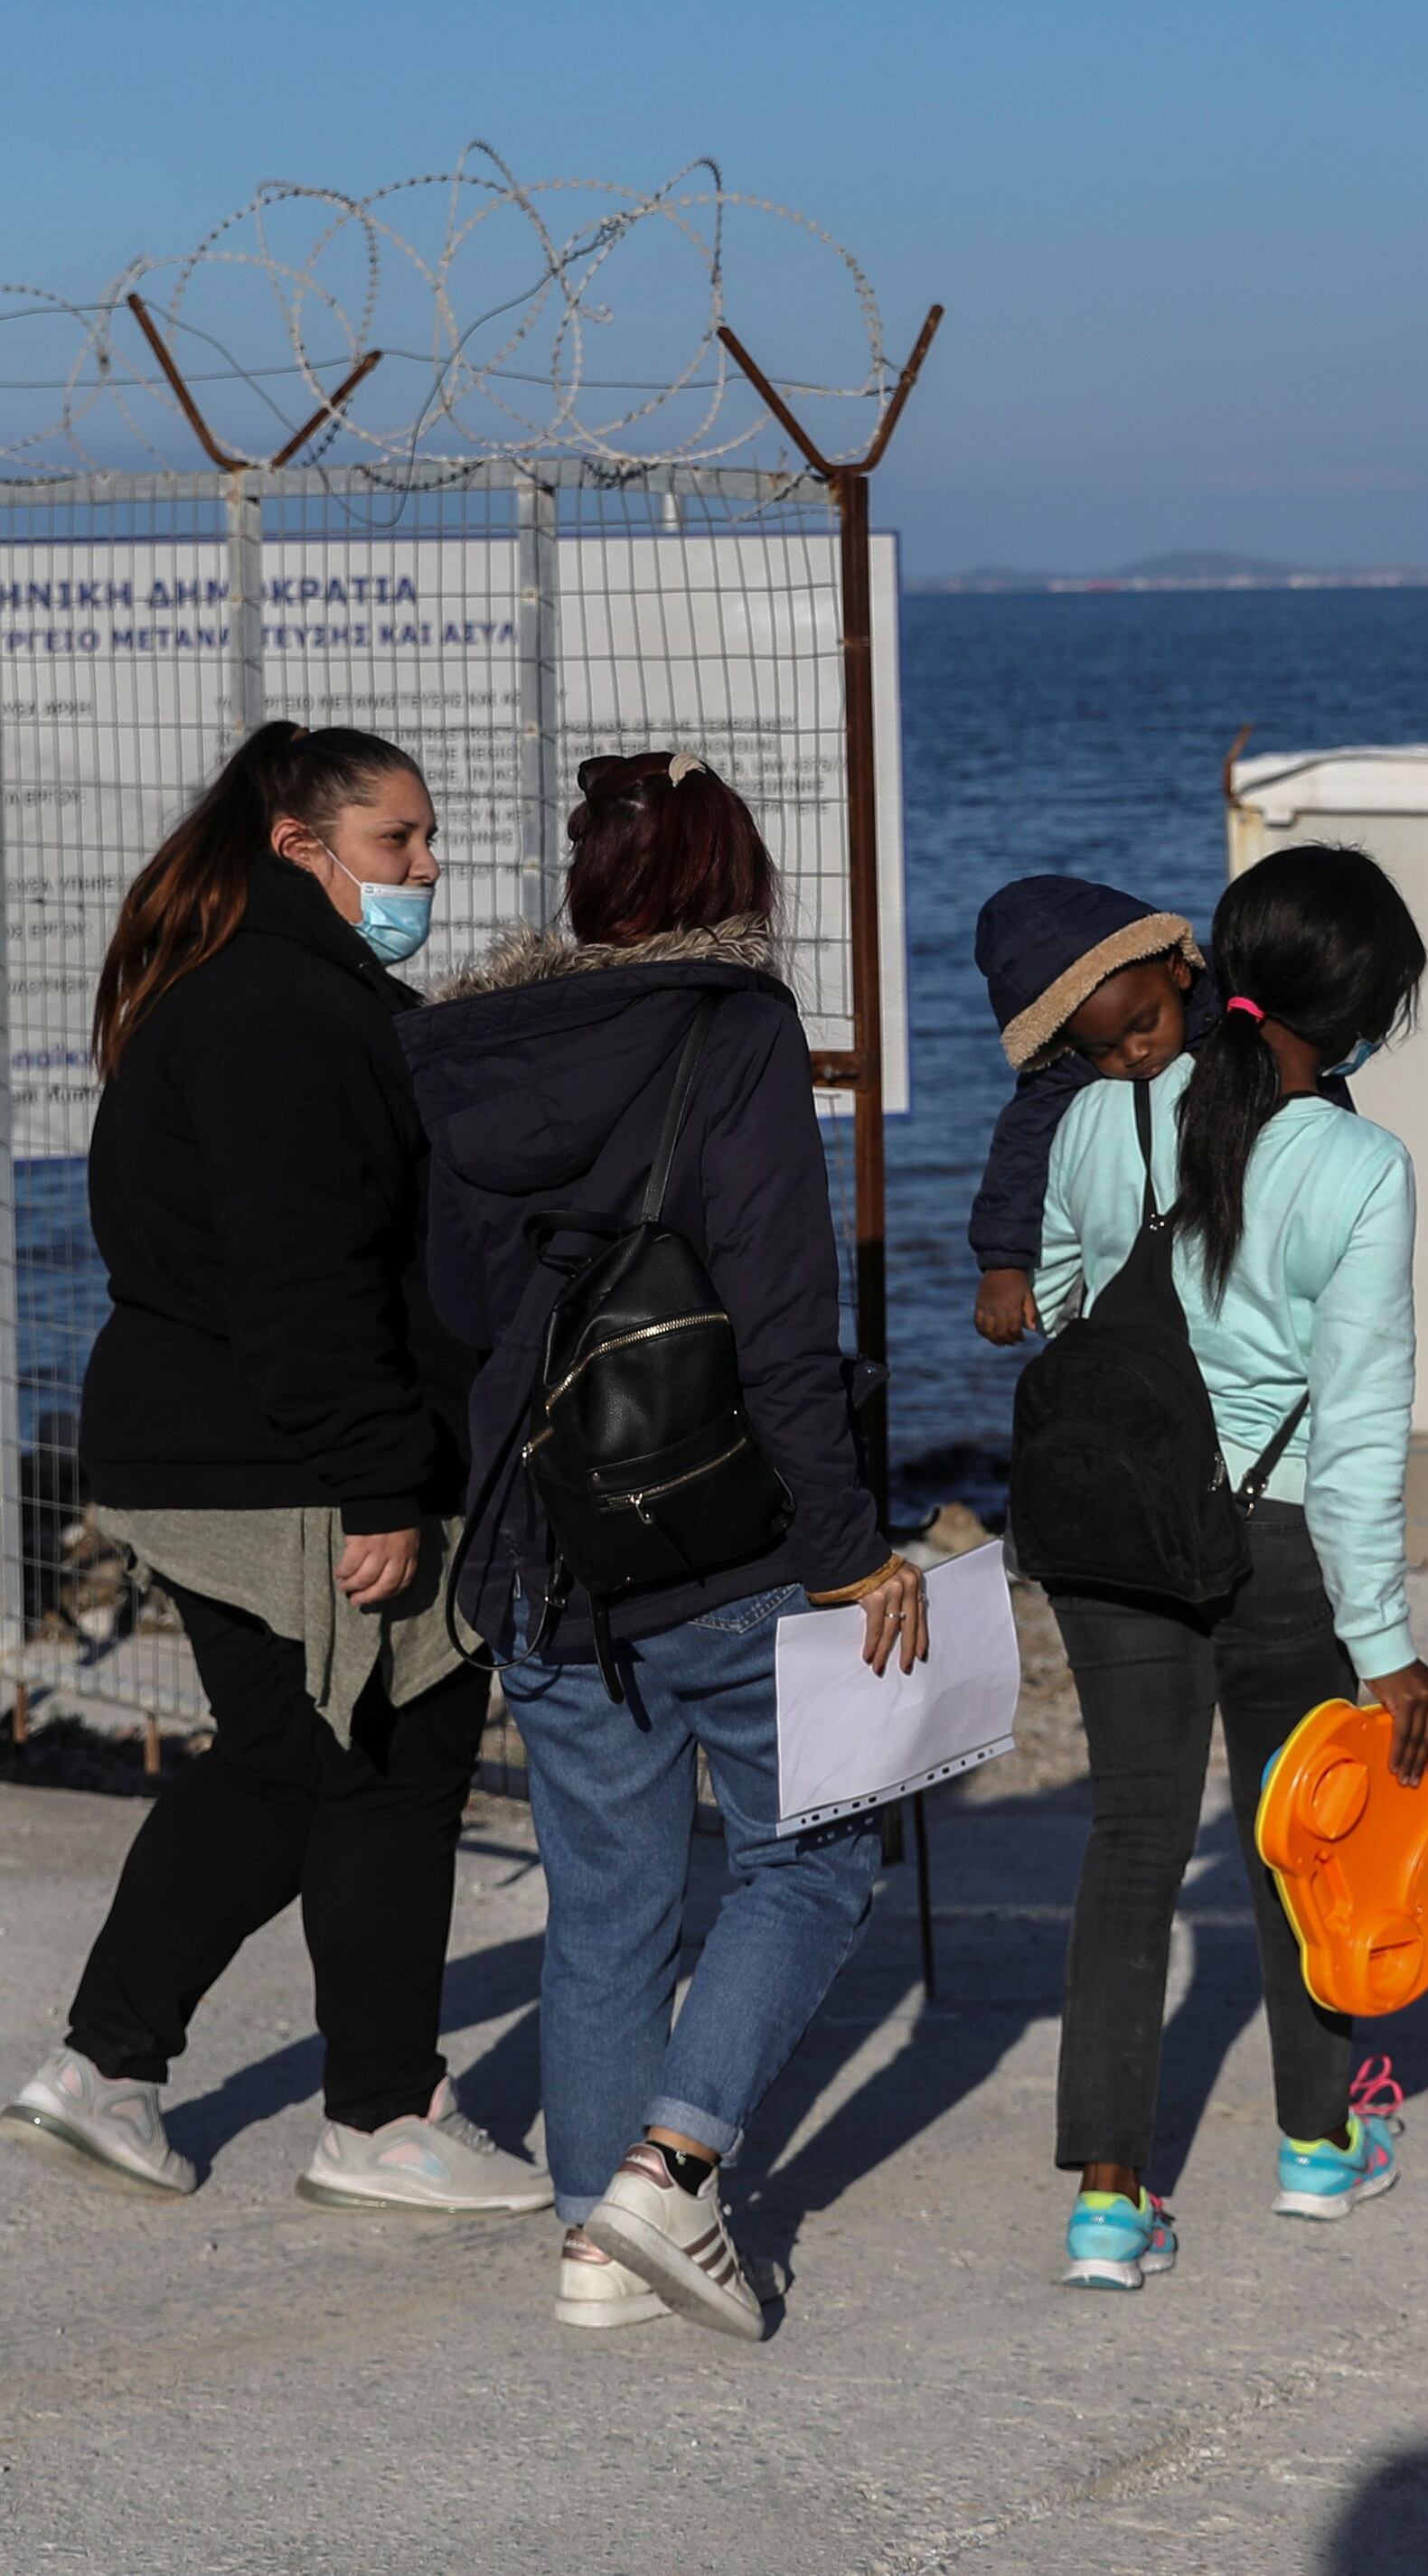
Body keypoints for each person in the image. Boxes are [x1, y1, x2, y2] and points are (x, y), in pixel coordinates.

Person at [408, 752, 929, 2340]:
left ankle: (591, 2242)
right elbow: (782, 1317)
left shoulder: (464, 1047)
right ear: (729, 883)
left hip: (536, 1542)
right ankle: (671, 2166)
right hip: (717, 1537)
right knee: (816, 1854)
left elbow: (455, 1305)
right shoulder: (734, 1026)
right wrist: (850, 1549)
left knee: (608, 1898)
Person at [0, 721, 545, 2217]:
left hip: (217, 1445)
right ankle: (380, 2116)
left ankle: (106, 2066)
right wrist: (381, 1483)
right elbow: (305, 1274)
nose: (428, 867)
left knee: (287, 1757)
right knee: (390, 1760)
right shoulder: (288, 1014)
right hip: (292, 1463)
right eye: (397, 841)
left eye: (429, 839)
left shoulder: (237, 986)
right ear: (300, 845)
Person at [1030, 843, 1428, 2287]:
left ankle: (1107, 2203)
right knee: (1303, 1838)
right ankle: (1318, 2147)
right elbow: (1361, 1427)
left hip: (1111, 1530)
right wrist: (1386, 1645)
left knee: (1131, 1844)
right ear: (1367, 1012)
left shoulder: (1100, 1112)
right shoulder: (1361, 1166)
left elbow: (1066, 1305)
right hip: (1273, 1537)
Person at [964, 876, 1351, 1347]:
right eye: (1103, 1048)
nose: (1134, 1053)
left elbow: (1313, 1083)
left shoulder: (1242, 996)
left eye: (1146, 1023)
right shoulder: (1067, 1067)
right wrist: (1003, 1264)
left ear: (1179, 971)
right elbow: (1020, 1147)